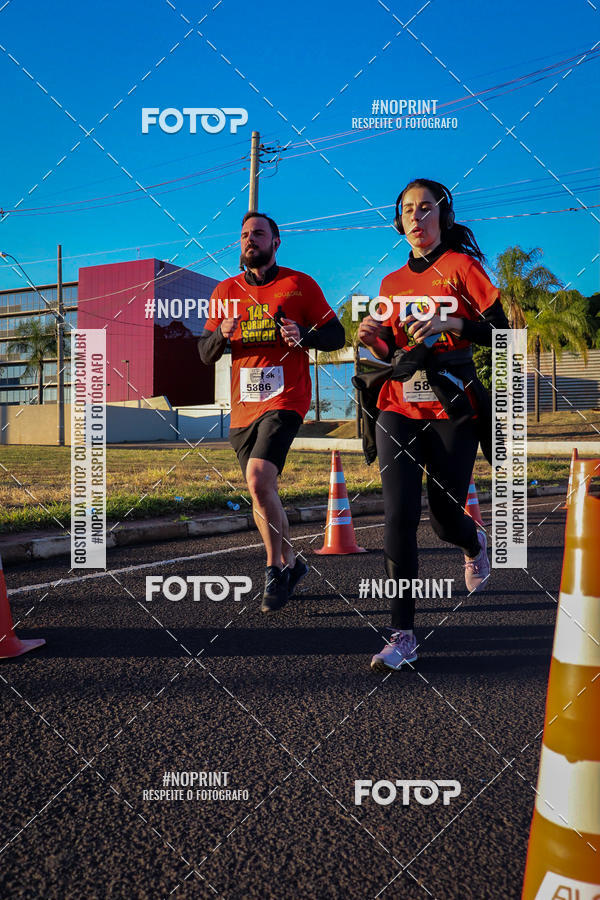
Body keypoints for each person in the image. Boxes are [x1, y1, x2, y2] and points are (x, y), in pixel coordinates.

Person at [357, 178, 508, 673]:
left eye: (426, 209)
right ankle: (402, 633)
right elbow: (388, 351)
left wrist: (453, 324)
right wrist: (371, 338)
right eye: (407, 210)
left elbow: (505, 332)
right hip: (398, 406)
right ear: (397, 220)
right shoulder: (390, 284)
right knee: (397, 516)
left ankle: (473, 541)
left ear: (443, 214)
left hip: (453, 409)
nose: (416, 218)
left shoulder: (462, 268)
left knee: (444, 519)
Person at [198, 211, 345, 613]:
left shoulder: (299, 285)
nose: (250, 240)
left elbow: (336, 334)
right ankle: (294, 563)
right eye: (244, 234)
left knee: (259, 477)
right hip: (243, 408)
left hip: (287, 398)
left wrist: (305, 334)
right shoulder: (225, 291)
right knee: (261, 492)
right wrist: (221, 335)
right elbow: (205, 354)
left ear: (275, 243)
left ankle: (273, 567)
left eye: (258, 234)